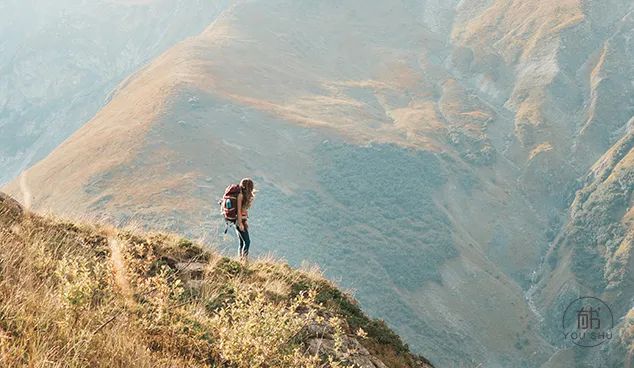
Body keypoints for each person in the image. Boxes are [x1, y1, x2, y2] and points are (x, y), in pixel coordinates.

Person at [235, 178, 255, 259]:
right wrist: (240, 224)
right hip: (239, 221)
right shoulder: (240, 196)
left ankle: (240, 259)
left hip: (242, 220)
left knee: (242, 242)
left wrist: (245, 221)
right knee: (247, 242)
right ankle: (244, 260)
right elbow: (239, 211)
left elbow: (243, 210)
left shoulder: (245, 196)